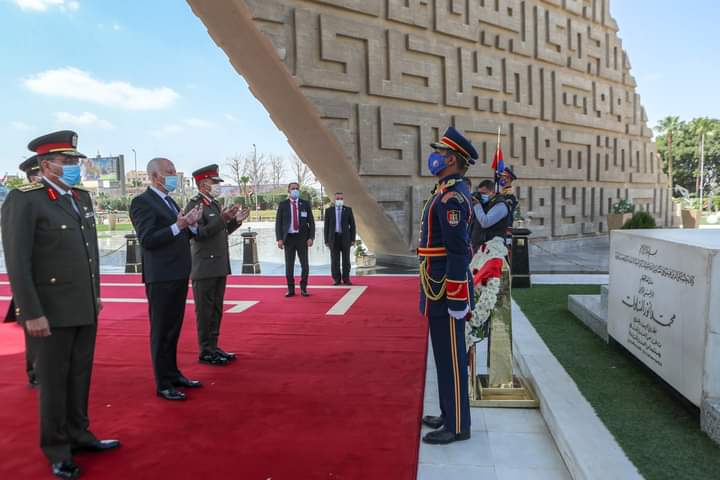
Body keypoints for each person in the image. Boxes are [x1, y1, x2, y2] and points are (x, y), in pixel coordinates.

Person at [1, 130, 120, 479]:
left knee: (80, 375)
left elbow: (89, 255)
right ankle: (57, 448)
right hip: (49, 311)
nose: (74, 167)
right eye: (67, 162)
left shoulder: (79, 199)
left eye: (75, 161)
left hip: (82, 305)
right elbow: (18, 261)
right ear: (46, 164)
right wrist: (31, 312)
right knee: (53, 381)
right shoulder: (25, 199)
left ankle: (80, 434)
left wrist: (94, 294)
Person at [418, 126, 476, 445]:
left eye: (440, 153)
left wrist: (456, 298)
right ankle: (448, 412)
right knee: (442, 355)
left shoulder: (452, 197)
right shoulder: (444, 191)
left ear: (451, 159)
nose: (435, 157)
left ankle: (457, 426)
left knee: (452, 359)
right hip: (436, 283)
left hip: (446, 288)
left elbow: (457, 250)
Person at [129, 157, 203, 401]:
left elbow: (179, 234)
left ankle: (173, 373)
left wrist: (189, 224)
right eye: (168, 172)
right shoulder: (142, 202)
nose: (173, 175)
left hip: (178, 272)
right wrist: (178, 226)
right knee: (161, 331)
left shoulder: (170, 201)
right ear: (154, 176)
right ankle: (163, 382)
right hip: (160, 276)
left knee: (174, 327)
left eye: (173, 171)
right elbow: (148, 239)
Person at [184, 164, 249, 366]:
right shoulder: (196, 205)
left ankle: (213, 346)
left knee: (216, 309)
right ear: (203, 184)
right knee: (205, 311)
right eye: (214, 183)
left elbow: (219, 232)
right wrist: (223, 219)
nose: (217, 186)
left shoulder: (213, 204)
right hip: (204, 266)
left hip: (218, 264)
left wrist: (234, 222)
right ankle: (205, 350)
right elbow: (199, 234)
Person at [3, 157, 42, 388]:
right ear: (32, 177)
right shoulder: (21, 200)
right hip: (33, 277)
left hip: (57, 279)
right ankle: (35, 371)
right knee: (34, 331)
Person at [275, 181, 315, 297]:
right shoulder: (283, 205)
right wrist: (279, 239)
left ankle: (303, 288)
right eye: (293, 188)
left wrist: (311, 237)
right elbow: (278, 223)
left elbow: (311, 223)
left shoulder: (305, 204)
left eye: (297, 188)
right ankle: (291, 289)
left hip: (302, 238)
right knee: (289, 266)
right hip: (289, 239)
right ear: (288, 190)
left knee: (305, 265)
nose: (295, 190)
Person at [323, 192, 356, 285]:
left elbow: (352, 226)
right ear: (334, 200)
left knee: (346, 260)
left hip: (345, 238)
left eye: (341, 199)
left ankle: (346, 279)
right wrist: (326, 240)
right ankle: (336, 279)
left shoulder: (348, 210)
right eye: (338, 199)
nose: (339, 200)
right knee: (335, 260)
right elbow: (326, 227)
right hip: (333, 238)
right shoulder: (329, 211)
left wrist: (353, 239)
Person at [470, 179, 510, 252]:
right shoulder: (484, 204)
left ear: (493, 192)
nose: (481, 196)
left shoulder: (500, 205)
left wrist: (476, 205)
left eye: (484, 193)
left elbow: (485, 222)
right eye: (480, 193)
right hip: (479, 247)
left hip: (493, 249)